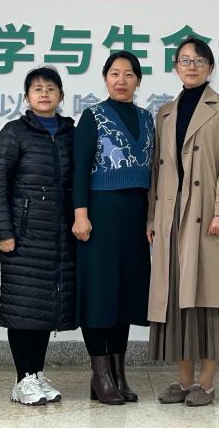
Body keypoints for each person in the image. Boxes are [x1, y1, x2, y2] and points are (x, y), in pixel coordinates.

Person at [147, 37, 219, 407]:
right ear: (175, 66)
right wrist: (151, 216)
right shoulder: (165, 112)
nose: (192, 66)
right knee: (175, 300)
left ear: (210, 67)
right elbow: (157, 171)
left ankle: (206, 383)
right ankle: (184, 381)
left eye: (199, 60)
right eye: (185, 60)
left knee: (208, 299)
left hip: (207, 216)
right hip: (171, 217)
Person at [0, 66, 76, 407]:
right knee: (22, 308)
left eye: (50, 89)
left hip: (59, 237)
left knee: (45, 309)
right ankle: (22, 378)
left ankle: (36, 373)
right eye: (37, 89)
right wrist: (4, 231)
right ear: (26, 96)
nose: (44, 94)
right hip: (23, 236)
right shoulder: (14, 132)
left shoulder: (70, 133)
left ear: (61, 95)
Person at [72, 51, 154, 405]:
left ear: (138, 80)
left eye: (129, 74)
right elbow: (78, 169)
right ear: (105, 78)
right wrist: (80, 214)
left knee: (126, 295)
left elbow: (154, 172)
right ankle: (100, 374)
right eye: (115, 73)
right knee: (99, 294)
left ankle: (119, 374)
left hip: (135, 217)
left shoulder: (147, 118)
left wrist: (150, 217)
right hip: (100, 216)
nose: (122, 80)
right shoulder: (93, 116)